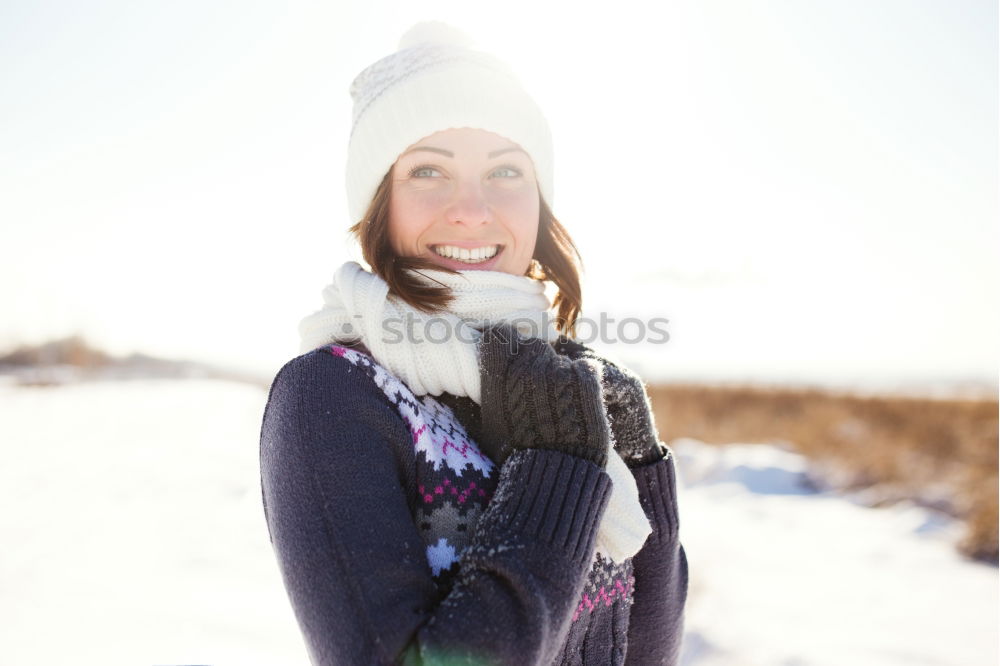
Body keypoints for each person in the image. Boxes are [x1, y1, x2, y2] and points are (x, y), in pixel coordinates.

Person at [259, 21, 688, 665]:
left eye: (506, 170)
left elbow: (642, 654)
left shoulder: (563, 385)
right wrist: (554, 468)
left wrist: (642, 470)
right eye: (428, 170)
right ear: (379, 202)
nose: (471, 208)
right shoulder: (334, 394)